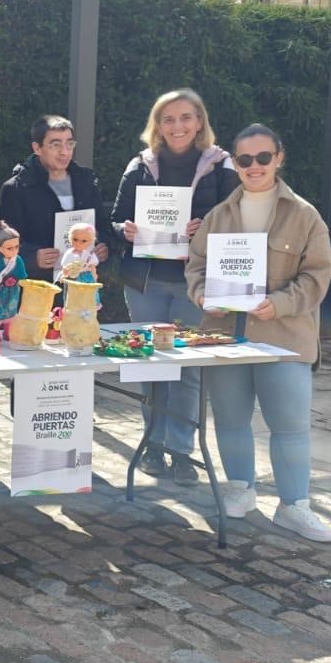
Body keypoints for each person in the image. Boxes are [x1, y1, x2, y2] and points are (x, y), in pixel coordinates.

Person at [188, 124, 331, 543]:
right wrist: (201, 297)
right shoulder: (218, 216)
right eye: (245, 159)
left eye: (263, 158)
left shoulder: (305, 216)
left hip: (284, 336)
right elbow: (195, 267)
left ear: (279, 158)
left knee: (289, 425)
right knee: (231, 420)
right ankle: (239, 489)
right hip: (224, 335)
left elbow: (318, 276)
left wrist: (280, 303)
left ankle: (295, 505)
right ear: (235, 162)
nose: (254, 167)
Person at [110, 88, 238, 484]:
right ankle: (152, 443)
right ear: (157, 126)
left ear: (199, 122)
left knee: (186, 370)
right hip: (145, 284)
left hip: (193, 284)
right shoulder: (140, 165)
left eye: (185, 117)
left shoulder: (222, 167)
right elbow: (114, 220)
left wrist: (206, 230)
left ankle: (181, 450)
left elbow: (236, 222)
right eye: (168, 119)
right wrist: (125, 230)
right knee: (148, 365)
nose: (177, 126)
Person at [0, 114, 111, 280]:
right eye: (55, 144)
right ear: (37, 148)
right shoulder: (16, 188)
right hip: (37, 286)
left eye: (69, 143)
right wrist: (32, 257)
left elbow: (102, 225)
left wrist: (103, 246)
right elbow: (5, 242)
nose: (64, 151)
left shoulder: (86, 181)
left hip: (82, 282)